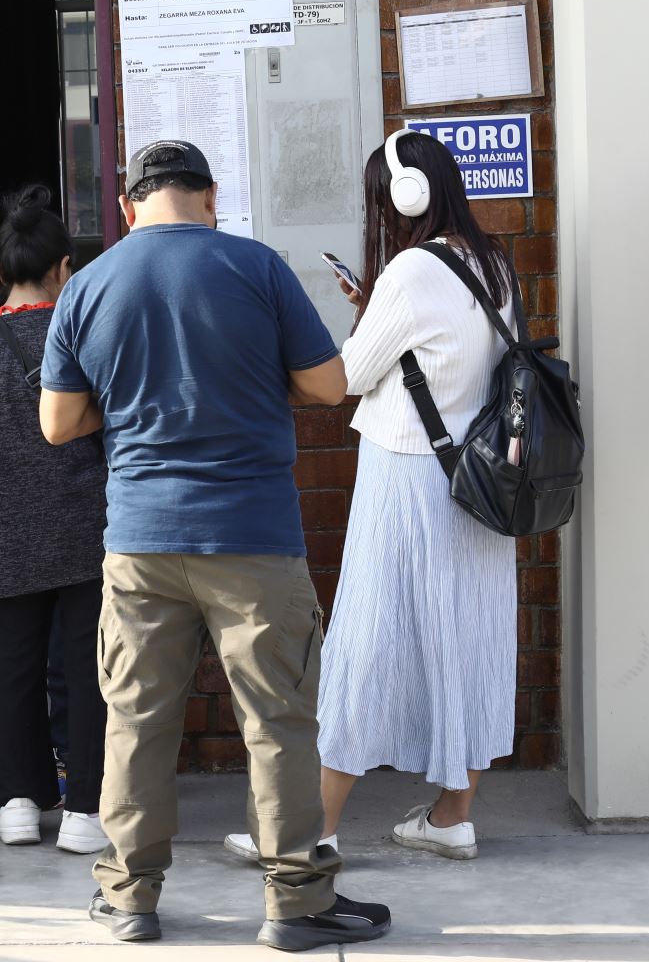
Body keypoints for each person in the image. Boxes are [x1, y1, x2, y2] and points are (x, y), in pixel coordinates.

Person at [40, 140, 391, 952]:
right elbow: (328, 385)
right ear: (211, 196)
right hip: (253, 538)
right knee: (278, 723)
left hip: (140, 540)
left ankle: (129, 899)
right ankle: (295, 904)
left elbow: (57, 423)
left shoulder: (89, 285)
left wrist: (126, 405)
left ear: (128, 208)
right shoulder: (258, 268)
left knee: (135, 722)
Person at [227, 132, 517, 867]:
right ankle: (452, 817)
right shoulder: (494, 262)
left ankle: (310, 831)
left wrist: (359, 317)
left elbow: (347, 377)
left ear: (404, 197)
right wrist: (375, 305)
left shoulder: (411, 271)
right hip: (481, 483)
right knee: (471, 638)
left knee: (366, 644)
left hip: (409, 481)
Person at [0, 184, 110, 854]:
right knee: (90, 668)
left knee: (13, 668)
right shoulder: (86, 335)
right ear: (65, 268)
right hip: (88, 526)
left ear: (0, 271)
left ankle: (17, 805)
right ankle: (86, 810)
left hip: (4, 534)